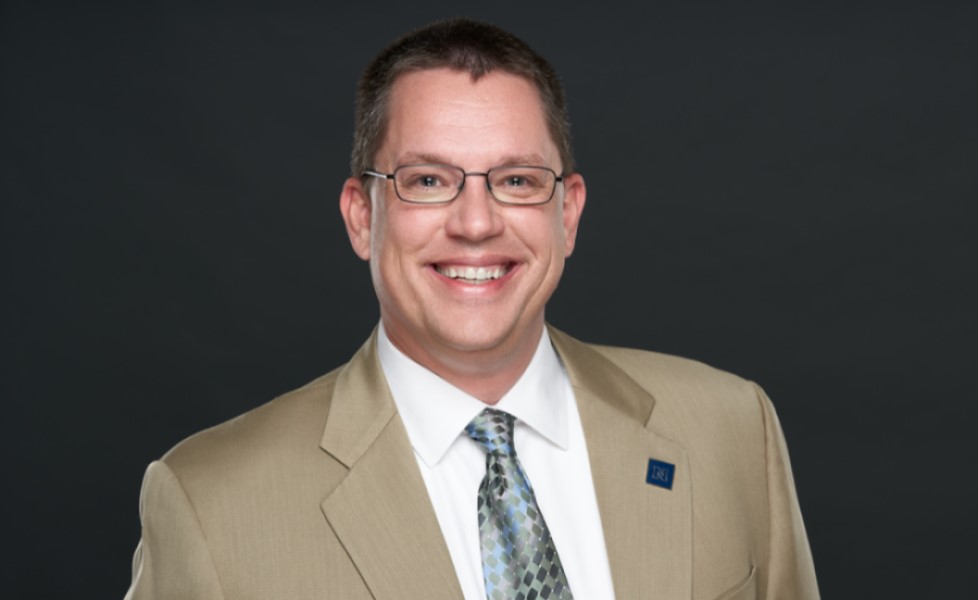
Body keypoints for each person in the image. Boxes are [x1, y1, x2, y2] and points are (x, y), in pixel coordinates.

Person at [124, 18, 819, 600]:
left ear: (567, 215)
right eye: (428, 180)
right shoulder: (210, 505)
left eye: (516, 180)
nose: (477, 222)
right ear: (362, 216)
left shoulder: (730, 431)